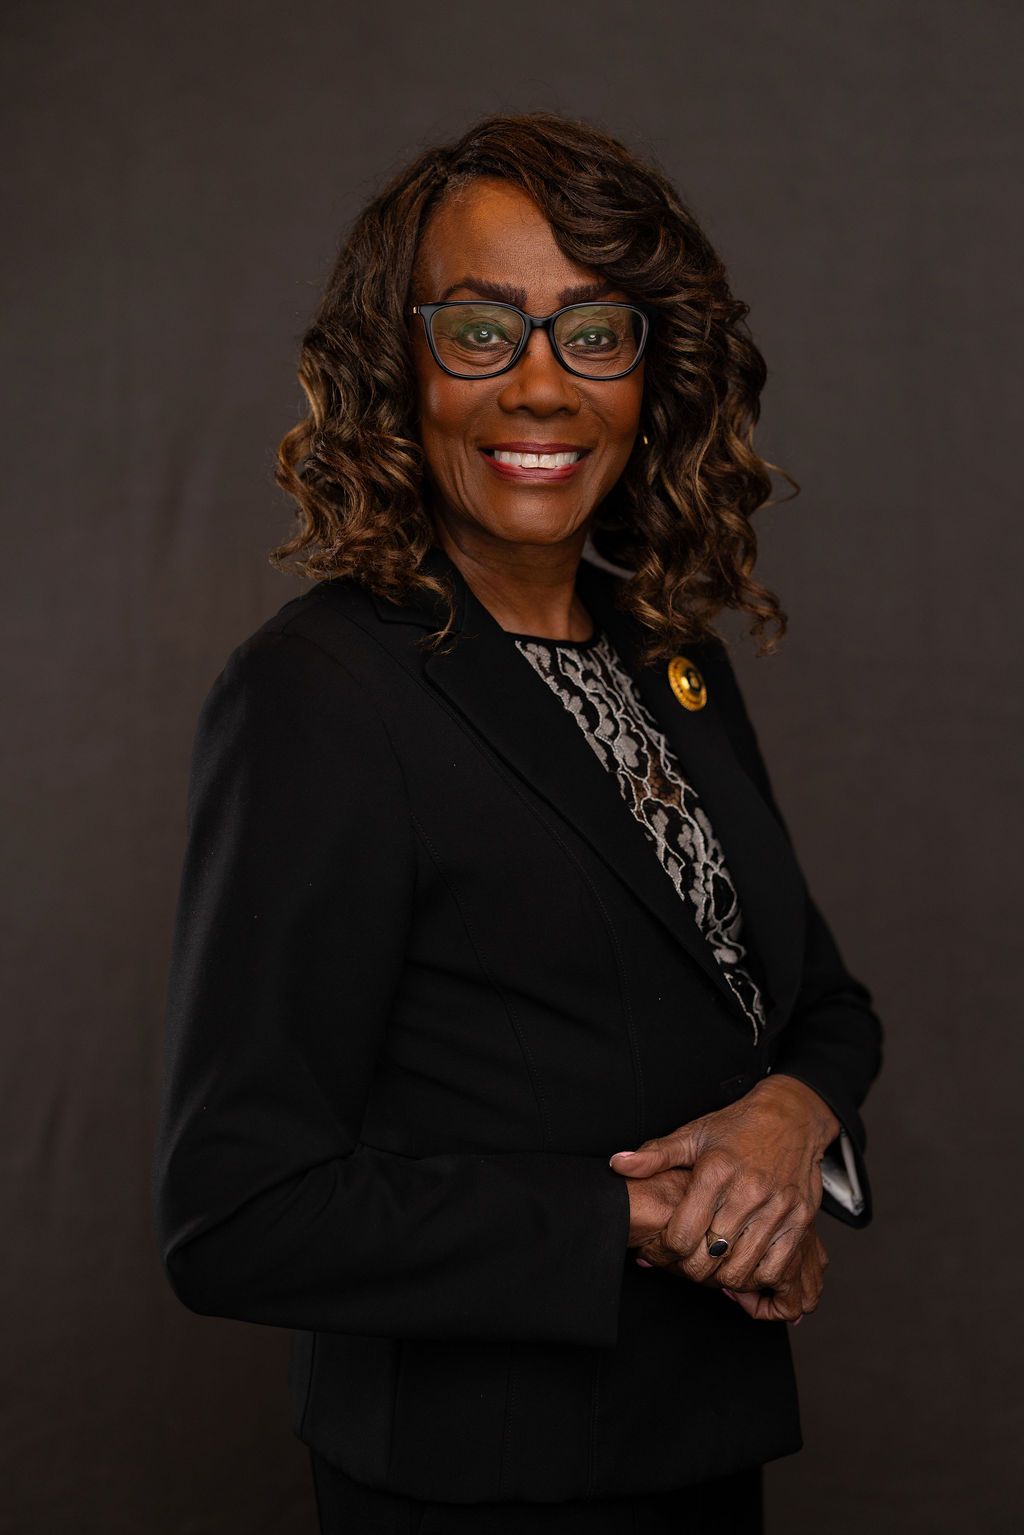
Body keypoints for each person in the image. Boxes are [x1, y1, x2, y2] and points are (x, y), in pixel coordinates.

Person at [152, 111, 883, 1535]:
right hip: (474, 1486)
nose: (541, 387)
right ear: (399, 367)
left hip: (703, 1449)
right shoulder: (319, 696)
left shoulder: (671, 658)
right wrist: (651, 1221)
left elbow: (821, 1004)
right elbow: (236, 1212)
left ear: (652, 375)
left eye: (594, 334)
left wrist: (791, 1126)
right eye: (481, 332)